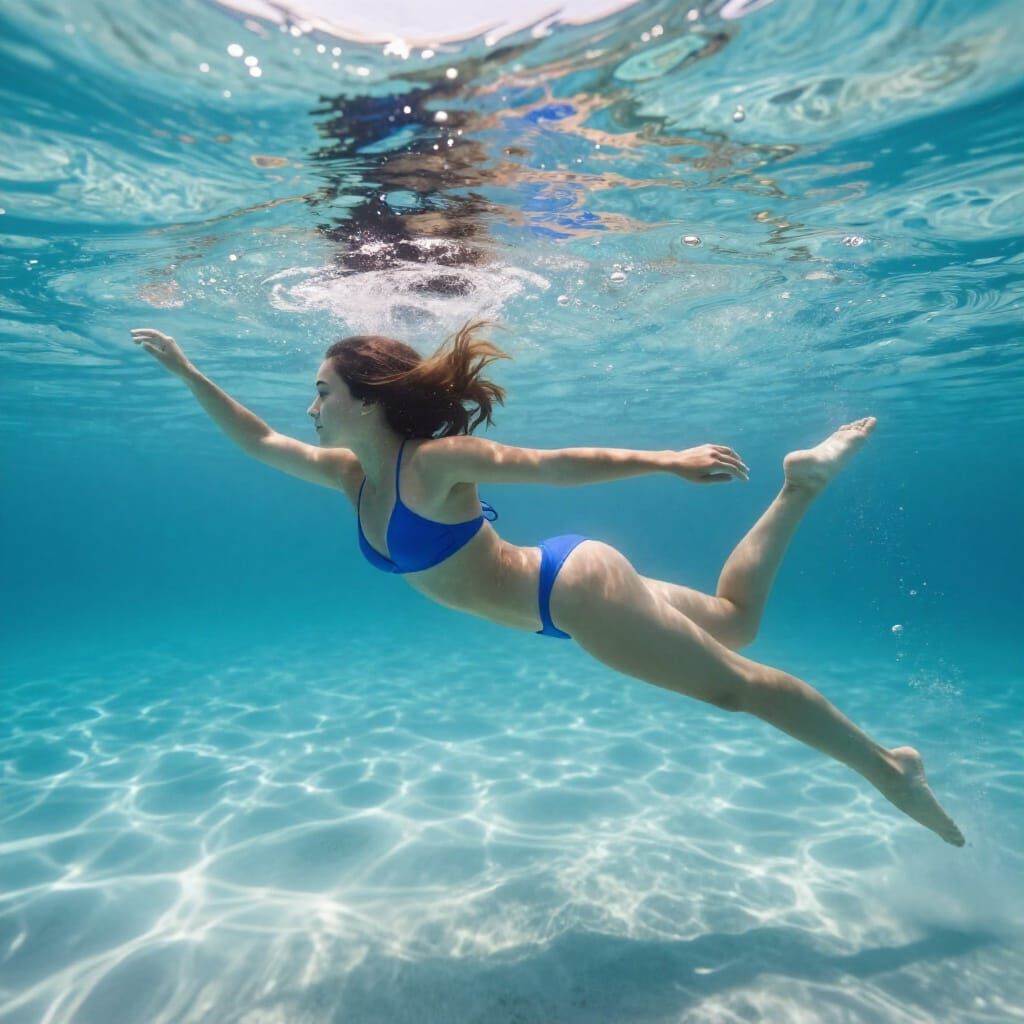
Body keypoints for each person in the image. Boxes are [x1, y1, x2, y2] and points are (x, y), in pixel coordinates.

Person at [130, 320, 965, 847]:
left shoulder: (432, 467)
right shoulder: (353, 478)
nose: (310, 409)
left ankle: (890, 769)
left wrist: (668, 461)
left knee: (735, 687)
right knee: (734, 622)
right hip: (565, 587)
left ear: (366, 398)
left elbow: (552, 465)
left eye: (321, 392)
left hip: (570, 594)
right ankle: (800, 485)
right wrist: (187, 373)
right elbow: (256, 439)